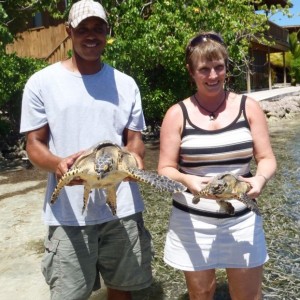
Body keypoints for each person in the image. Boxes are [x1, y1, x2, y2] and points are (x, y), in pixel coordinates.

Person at [20, 1, 152, 299]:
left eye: (98, 28)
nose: (91, 35)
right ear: (69, 32)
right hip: (68, 213)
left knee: (124, 289)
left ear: (108, 32)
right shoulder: (42, 83)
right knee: (69, 293)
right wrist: (58, 164)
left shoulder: (126, 84)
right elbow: (35, 145)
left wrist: (134, 160)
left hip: (123, 209)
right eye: (83, 29)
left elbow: (135, 140)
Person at [157, 31, 277, 300]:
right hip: (192, 219)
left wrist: (260, 180)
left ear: (226, 67)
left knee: (248, 295)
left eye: (218, 67)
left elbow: (267, 159)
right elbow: (165, 168)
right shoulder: (177, 113)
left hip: (241, 217)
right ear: (191, 71)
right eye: (204, 69)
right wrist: (188, 181)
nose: (212, 75)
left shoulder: (250, 107)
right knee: (201, 293)